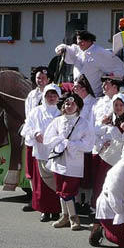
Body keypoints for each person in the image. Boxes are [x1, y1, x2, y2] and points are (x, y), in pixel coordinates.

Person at [44, 92, 94, 230]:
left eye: (72, 103)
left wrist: (71, 144)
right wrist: (59, 141)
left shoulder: (84, 123)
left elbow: (88, 143)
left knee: (68, 190)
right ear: (63, 106)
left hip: (74, 162)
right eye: (67, 103)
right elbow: (48, 138)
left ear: (78, 106)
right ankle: (64, 216)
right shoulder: (57, 121)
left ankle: (73, 217)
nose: (69, 106)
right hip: (59, 160)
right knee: (60, 189)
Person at [20, 84, 62, 222]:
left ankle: (56, 211)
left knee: (55, 183)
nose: (51, 98)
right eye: (49, 95)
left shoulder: (62, 112)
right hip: (41, 153)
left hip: (57, 154)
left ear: (58, 97)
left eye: (54, 95)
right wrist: (35, 133)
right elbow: (25, 129)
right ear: (44, 96)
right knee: (42, 185)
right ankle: (44, 211)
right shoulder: (36, 112)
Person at [93, 93, 124, 207]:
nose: (118, 108)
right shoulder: (107, 119)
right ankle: (99, 216)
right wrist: (102, 144)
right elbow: (95, 133)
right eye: (116, 105)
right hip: (108, 158)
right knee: (101, 185)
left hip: (122, 160)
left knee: (118, 186)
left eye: (121, 105)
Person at [55, 30, 124, 97]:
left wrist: (111, 79)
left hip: (94, 95)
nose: (79, 45)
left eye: (81, 42)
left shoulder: (100, 52)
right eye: (78, 43)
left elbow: (117, 66)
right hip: (78, 94)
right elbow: (67, 49)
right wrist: (62, 49)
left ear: (89, 40)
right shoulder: (78, 51)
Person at [22, 66, 52, 213]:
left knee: (44, 172)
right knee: (31, 171)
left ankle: (45, 201)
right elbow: (28, 116)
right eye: (38, 78)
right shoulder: (31, 95)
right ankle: (34, 198)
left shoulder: (52, 95)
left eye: (43, 78)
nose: (40, 80)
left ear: (49, 80)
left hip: (46, 140)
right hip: (32, 136)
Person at [73, 74, 97, 212]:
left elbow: (91, 124)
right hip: (75, 143)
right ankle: (76, 201)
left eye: (77, 87)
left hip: (87, 143)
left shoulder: (93, 103)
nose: (75, 89)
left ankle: (87, 202)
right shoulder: (74, 102)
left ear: (85, 88)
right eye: (74, 87)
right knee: (76, 174)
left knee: (87, 175)